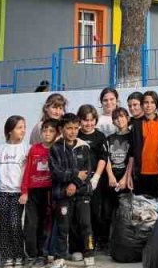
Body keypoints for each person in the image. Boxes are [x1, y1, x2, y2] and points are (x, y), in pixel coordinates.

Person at [49, 113, 97, 267]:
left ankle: (88, 253)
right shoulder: (55, 148)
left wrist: (74, 184)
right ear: (61, 129)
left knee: (85, 224)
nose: (73, 131)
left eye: (76, 128)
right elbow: (57, 172)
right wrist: (76, 175)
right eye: (69, 128)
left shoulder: (83, 146)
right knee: (63, 227)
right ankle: (60, 257)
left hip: (82, 194)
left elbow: (87, 172)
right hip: (63, 195)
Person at [20, 119, 57, 265]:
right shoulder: (34, 149)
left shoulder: (57, 149)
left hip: (49, 192)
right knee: (31, 224)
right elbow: (27, 171)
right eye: (45, 130)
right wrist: (24, 191)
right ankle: (31, 254)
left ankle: (43, 253)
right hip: (34, 192)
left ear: (57, 133)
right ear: (40, 132)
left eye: (51, 131)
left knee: (46, 224)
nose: (47, 134)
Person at [0, 116, 28, 268]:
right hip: (2, 192)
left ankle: (19, 254)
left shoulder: (27, 148)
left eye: (24, 127)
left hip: (18, 193)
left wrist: (25, 192)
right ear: (9, 131)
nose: (23, 130)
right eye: (19, 127)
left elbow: (27, 173)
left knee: (15, 224)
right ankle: (7, 256)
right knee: (5, 225)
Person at [74, 106, 108, 254]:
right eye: (85, 120)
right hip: (78, 180)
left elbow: (103, 158)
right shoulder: (76, 134)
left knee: (95, 212)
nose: (88, 123)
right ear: (80, 121)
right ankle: (78, 245)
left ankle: (93, 242)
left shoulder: (100, 137)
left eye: (91, 120)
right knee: (78, 214)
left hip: (95, 179)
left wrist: (96, 178)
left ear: (95, 120)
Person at [101, 109, 136, 250]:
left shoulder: (132, 136)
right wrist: (110, 176)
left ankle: (125, 244)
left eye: (122, 117)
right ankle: (108, 244)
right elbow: (106, 158)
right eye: (116, 118)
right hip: (111, 180)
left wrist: (125, 178)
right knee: (108, 213)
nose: (119, 120)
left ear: (127, 118)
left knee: (125, 214)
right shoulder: (109, 138)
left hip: (125, 181)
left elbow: (132, 159)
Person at [136, 93, 158, 198]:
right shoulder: (137, 124)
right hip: (141, 171)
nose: (149, 105)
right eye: (146, 102)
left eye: (152, 102)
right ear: (141, 105)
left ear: (157, 105)